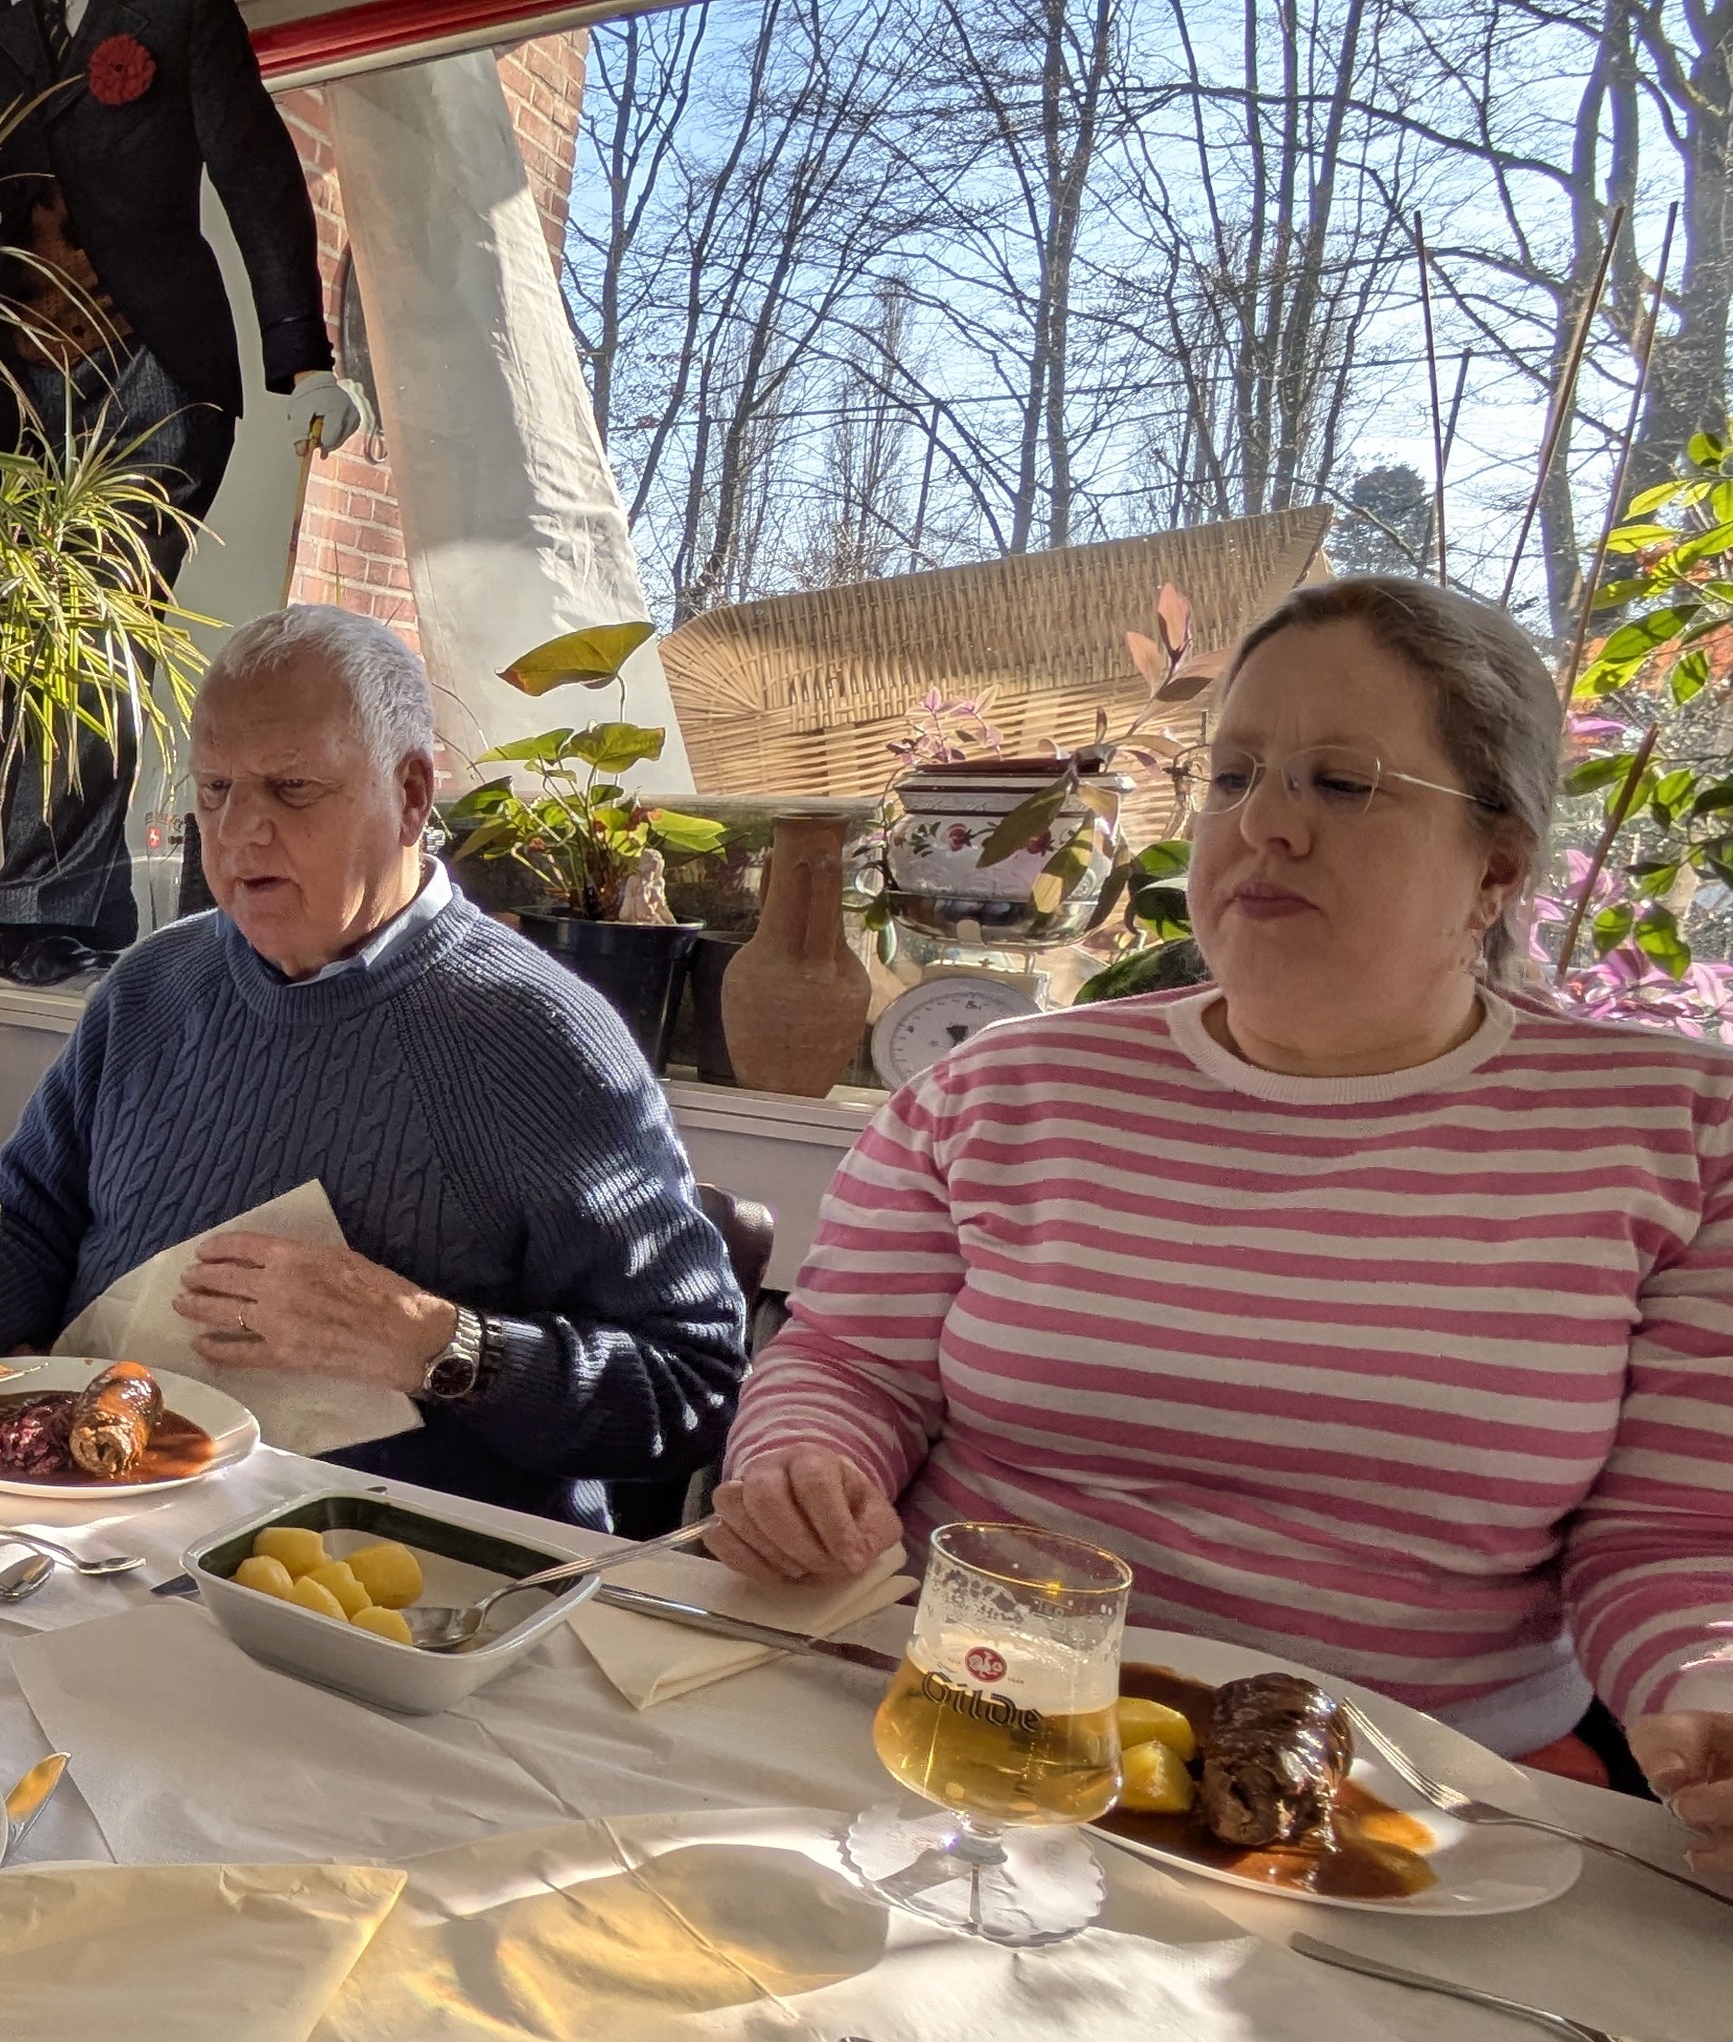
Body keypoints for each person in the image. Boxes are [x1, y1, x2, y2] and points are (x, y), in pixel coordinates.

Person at [711, 575, 1733, 1869]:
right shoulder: (998, 1090)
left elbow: (1675, 1541)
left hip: (1397, 1807)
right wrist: (806, 1468)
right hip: (963, 1731)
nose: (1264, 827)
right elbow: (845, 1366)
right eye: (1234, 775)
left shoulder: (1679, 1134)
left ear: (1496, 863)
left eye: (1339, 784)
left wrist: (1707, 1695)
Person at [0, 604, 744, 1524]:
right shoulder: (152, 987)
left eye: (291, 790)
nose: (240, 832)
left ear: (413, 795)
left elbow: (694, 1389)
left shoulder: (541, 1036)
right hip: (100, 1535)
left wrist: (440, 1346)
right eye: (214, 791)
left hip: (383, 1597)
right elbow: (36, 1229)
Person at [0, 0, 365, 951]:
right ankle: (67, 902)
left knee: (106, 630)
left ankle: (50, 906)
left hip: (156, 362)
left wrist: (304, 359)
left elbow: (254, 170)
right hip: (21, 369)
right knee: (26, 639)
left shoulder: (183, 7)